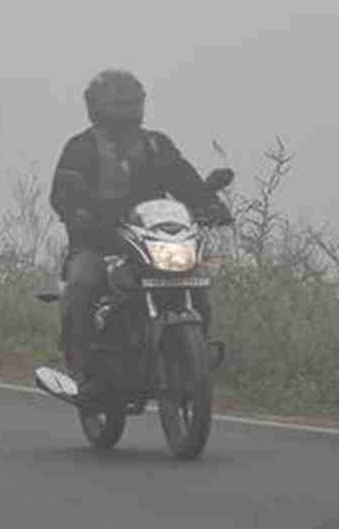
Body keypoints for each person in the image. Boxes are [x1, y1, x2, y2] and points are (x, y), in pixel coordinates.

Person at [48, 69, 232, 399]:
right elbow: (63, 190)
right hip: (98, 244)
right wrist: (78, 211)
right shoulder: (81, 147)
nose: (126, 110)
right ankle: (82, 370)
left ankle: (196, 357)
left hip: (152, 240)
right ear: (97, 107)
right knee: (81, 285)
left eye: (131, 102)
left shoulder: (156, 145)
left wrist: (209, 204)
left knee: (198, 281)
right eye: (118, 103)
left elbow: (184, 180)